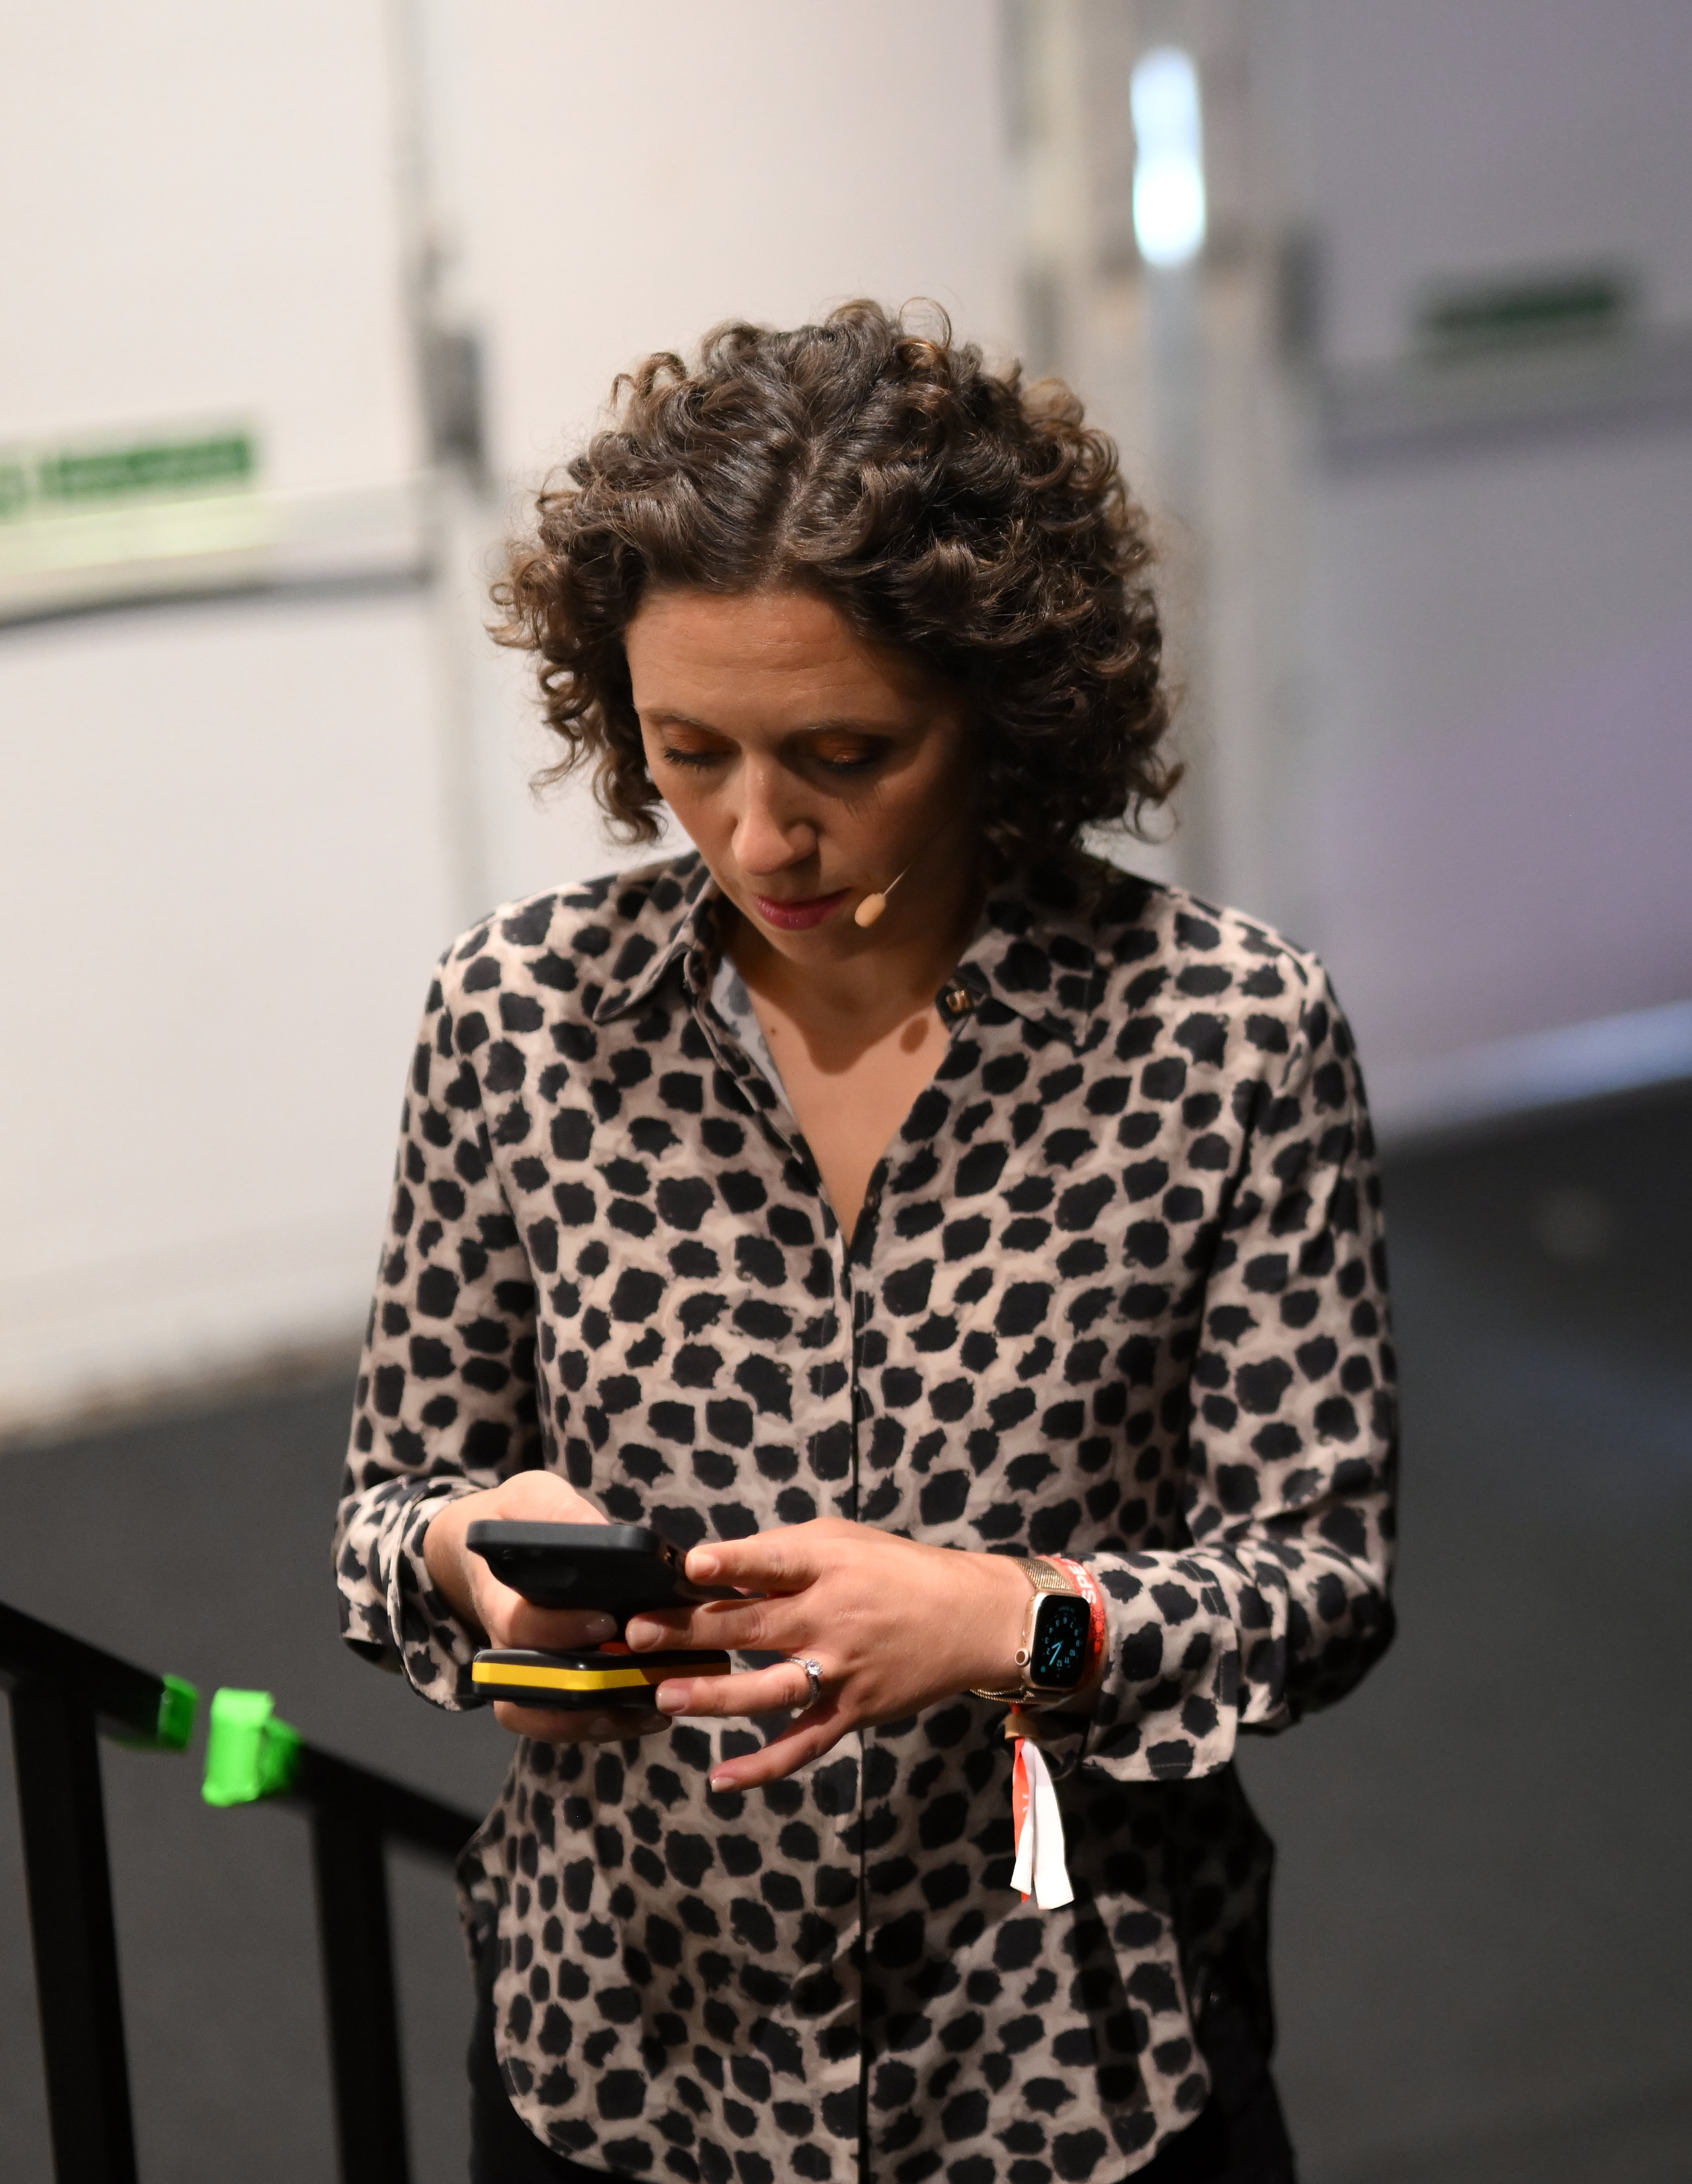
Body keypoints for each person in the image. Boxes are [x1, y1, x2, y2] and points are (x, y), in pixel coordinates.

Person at [332, 301, 1397, 2184]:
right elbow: (387, 1504)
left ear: (1006, 697)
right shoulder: (517, 1014)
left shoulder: (1222, 1030)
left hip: (1068, 2055)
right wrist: (478, 1566)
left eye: (846, 749)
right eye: (689, 750)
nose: (763, 832)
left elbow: (1318, 1575)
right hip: (630, 2046)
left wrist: (1007, 1618)